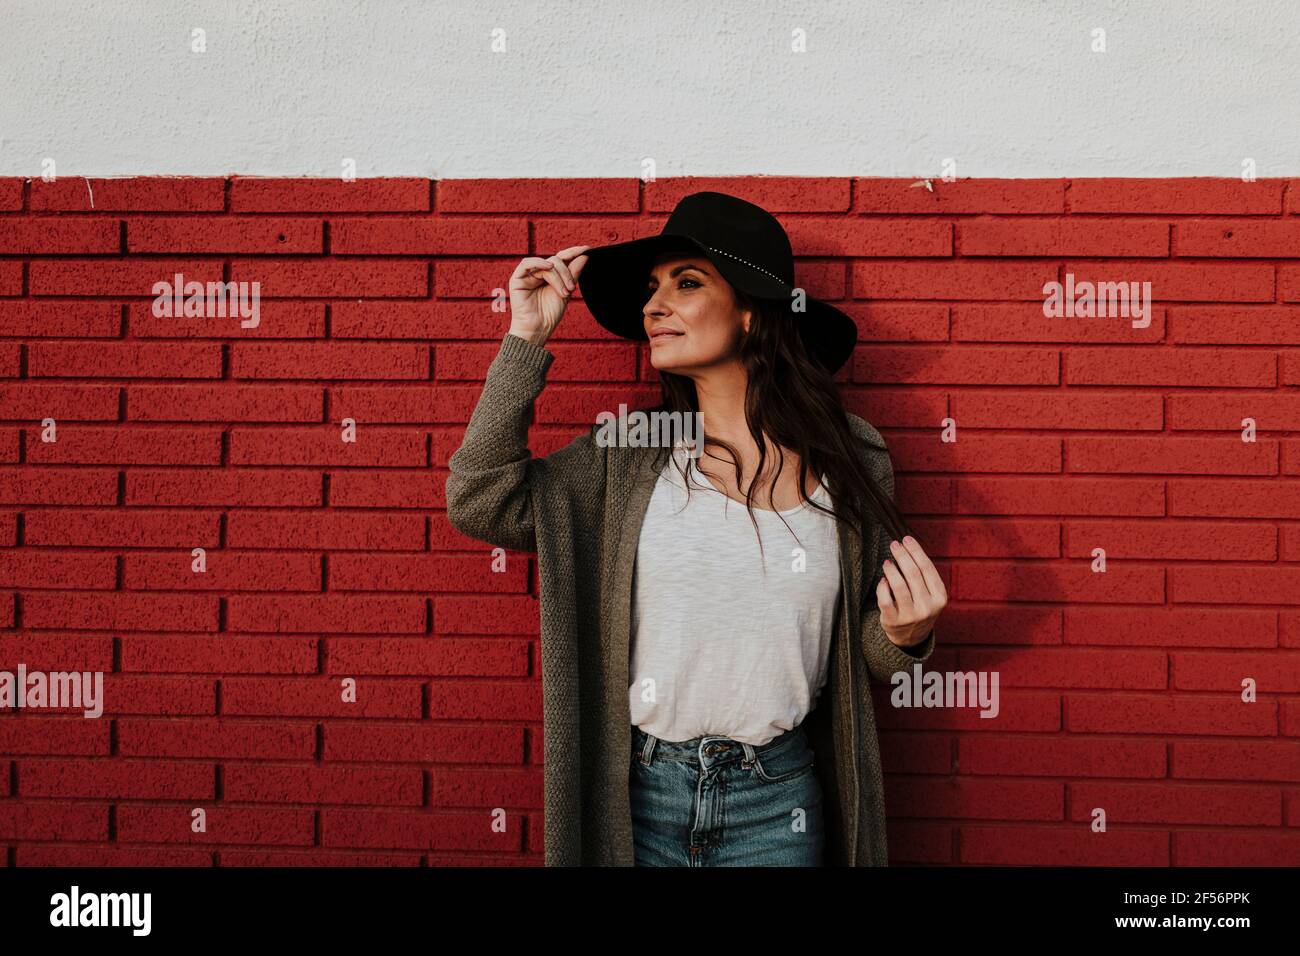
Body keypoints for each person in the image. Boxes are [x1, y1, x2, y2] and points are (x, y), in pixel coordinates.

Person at [446, 191, 946, 866]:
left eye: (686, 283)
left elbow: (863, 651)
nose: (654, 307)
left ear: (748, 311)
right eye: (652, 289)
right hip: (643, 800)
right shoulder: (629, 454)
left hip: (778, 806)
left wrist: (905, 637)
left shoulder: (853, 458)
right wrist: (525, 339)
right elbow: (480, 499)